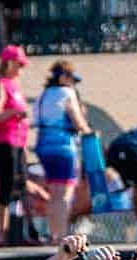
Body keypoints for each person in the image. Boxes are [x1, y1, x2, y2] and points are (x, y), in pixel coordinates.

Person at [33, 60, 91, 244]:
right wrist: (87, 127)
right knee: (65, 193)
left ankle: (54, 235)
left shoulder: (43, 95)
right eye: (72, 79)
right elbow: (78, 122)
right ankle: (63, 235)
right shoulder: (67, 93)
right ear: (64, 77)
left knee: (54, 192)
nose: (73, 83)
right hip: (64, 146)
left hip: (43, 146)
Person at [0, 45, 31, 245]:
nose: (22, 69)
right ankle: (2, 233)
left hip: (19, 141)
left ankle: (17, 230)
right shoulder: (2, 84)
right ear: (10, 64)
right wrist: (13, 113)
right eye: (19, 65)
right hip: (5, 141)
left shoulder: (15, 84)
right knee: (7, 186)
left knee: (20, 185)